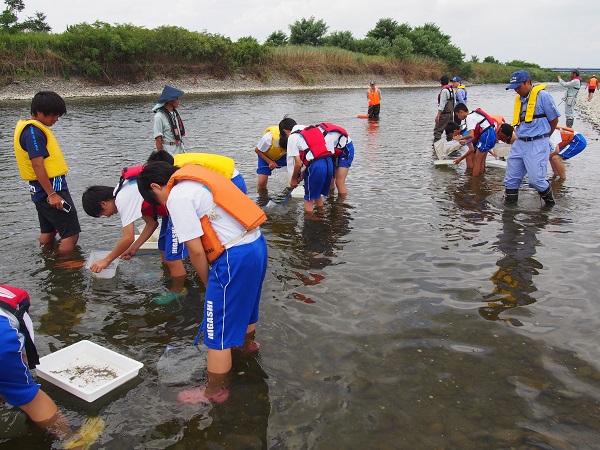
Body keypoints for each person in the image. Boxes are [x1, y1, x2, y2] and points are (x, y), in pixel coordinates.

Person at [136, 162, 268, 403]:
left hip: (234, 258)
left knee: (215, 329)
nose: (163, 204)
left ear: (156, 186)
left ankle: (214, 391)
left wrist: (209, 283)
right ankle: (247, 347)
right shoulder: (196, 180)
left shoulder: (177, 196)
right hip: (256, 244)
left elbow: (195, 251)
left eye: (158, 199)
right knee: (248, 306)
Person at [0, 284, 105, 448]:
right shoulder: (15, 299)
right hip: (2, 334)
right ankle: (74, 441)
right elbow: (22, 357)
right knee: (29, 397)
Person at [81, 155, 187, 298]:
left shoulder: (122, 199)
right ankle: (168, 279)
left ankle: (178, 291)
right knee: (164, 251)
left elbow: (128, 237)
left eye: (101, 213)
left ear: (103, 203)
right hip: (169, 213)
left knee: (172, 258)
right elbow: (152, 223)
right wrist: (134, 248)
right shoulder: (124, 189)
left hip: (176, 209)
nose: (106, 216)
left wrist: (106, 260)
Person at [13, 91, 81, 255]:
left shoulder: (30, 129)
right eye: (52, 115)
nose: (56, 119)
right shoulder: (33, 132)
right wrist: (52, 194)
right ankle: (63, 268)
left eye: (58, 115)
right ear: (38, 112)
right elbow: (37, 165)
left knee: (48, 230)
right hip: (51, 189)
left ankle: (47, 257)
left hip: (39, 190)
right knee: (71, 233)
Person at [504, 70, 560, 206]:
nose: (516, 90)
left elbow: (554, 120)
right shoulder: (519, 99)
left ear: (527, 82)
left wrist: (544, 137)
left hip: (537, 143)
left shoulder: (543, 96)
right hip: (520, 143)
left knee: (536, 180)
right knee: (511, 180)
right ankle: (509, 214)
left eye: (518, 86)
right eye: (514, 88)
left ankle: (550, 206)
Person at [283, 122, 334, 214]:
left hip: (317, 165)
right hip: (329, 163)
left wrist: (293, 179)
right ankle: (321, 216)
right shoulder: (311, 130)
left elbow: (298, 164)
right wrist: (301, 176)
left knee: (308, 198)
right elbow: (313, 158)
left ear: (286, 131)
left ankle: (310, 222)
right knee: (317, 194)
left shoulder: (292, 137)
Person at [452, 104, 498, 177]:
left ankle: (474, 183)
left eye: (458, 115)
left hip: (487, 134)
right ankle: (481, 179)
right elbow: (475, 136)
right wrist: (466, 141)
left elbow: (471, 135)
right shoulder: (473, 113)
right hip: (491, 133)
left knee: (476, 160)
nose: (458, 117)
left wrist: (459, 138)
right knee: (481, 161)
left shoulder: (469, 118)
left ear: (461, 112)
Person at [255, 117, 297, 191]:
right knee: (262, 183)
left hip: (284, 156)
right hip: (266, 156)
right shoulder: (268, 138)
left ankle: (289, 193)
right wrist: (270, 162)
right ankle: (262, 200)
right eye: (292, 131)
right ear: (285, 131)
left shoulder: (295, 136)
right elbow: (257, 150)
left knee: (293, 178)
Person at [318, 122, 354, 197]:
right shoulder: (313, 136)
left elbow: (327, 160)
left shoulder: (327, 139)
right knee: (329, 180)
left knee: (339, 182)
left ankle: (340, 206)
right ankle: (330, 199)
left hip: (346, 149)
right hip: (334, 148)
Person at [153, 85, 186, 155]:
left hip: (179, 149)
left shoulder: (174, 114)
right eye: (177, 99)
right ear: (170, 101)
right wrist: (161, 157)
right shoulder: (159, 117)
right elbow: (158, 139)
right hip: (169, 152)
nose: (179, 101)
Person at [434, 75, 455, 141]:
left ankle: (436, 146)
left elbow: (442, 104)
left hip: (445, 113)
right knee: (450, 130)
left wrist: (438, 116)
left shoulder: (444, 91)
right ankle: (450, 145)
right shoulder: (451, 89)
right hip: (451, 113)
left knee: (437, 130)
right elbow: (454, 102)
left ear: (440, 82)